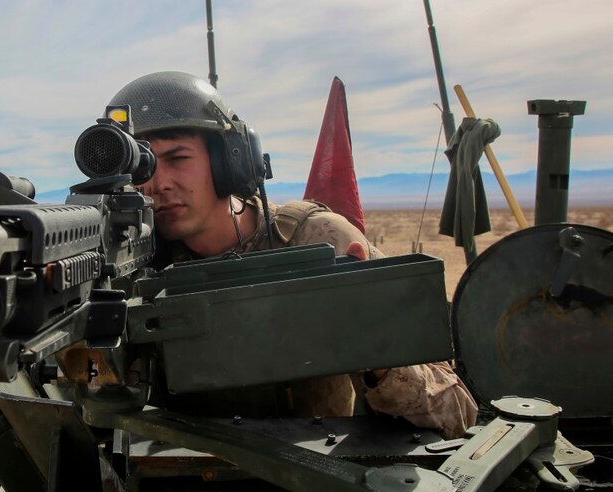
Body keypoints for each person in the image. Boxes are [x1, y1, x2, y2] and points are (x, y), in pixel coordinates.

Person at [107, 71, 477, 438]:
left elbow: (457, 411)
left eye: (177, 158)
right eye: (141, 167)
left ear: (230, 162)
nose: (157, 184)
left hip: (313, 485)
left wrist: (375, 350)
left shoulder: (318, 239)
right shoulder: (128, 262)